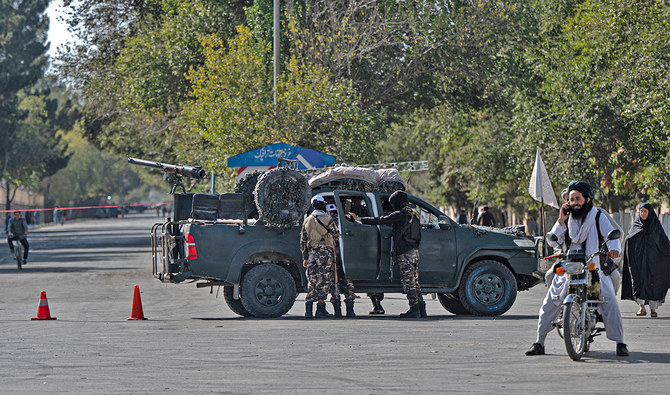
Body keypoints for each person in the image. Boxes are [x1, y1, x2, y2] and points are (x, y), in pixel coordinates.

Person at [525, 180, 629, 357]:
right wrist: (560, 220)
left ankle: (620, 343)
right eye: (571, 199)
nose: (574, 203)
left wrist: (614, 250)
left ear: (587, 199)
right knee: (551, 301)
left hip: (593, 265)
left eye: (578, 199)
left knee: (609, 298)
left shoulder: (598, 216)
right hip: (569, 267)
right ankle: (539, 342)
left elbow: (611, 236)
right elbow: (552, 240)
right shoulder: (566, 218)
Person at [350, 190, 425, 318]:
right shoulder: (414, 213)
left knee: (409, 283)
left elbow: (382, 220)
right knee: (415, 281)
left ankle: (414, 309)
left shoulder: (401, 214)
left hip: (405, 252)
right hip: (414, 251)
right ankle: (421, 308)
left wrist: (360, 219)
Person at [621, 202, 670, 318]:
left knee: (654, 284)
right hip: (638, 262)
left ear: (650, 213)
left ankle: (653, 309)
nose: (642, 214)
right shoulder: (636, 225)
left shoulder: (656, 227)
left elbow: (664, 244)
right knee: (638, 282)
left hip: (654, 263)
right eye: (641, 211)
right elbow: (629, 239)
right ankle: (641, 307)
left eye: (645, 211)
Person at [300, 195, 339, 318]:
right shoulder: (327, 218)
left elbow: (302, 240)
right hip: (325, 253)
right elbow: (336, 234)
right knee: (323, 279)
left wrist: (305, 257)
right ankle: (320, 308)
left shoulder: (307, 220)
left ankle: (308, 309)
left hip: (312, 253)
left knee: (312, 279)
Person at [325, 203, 356, 318]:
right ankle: (350, 310)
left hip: (333, 253)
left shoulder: (326, 220)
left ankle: (337, 310)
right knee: (348, 281)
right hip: (345, 253)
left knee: (335, 282)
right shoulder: (345, 218)